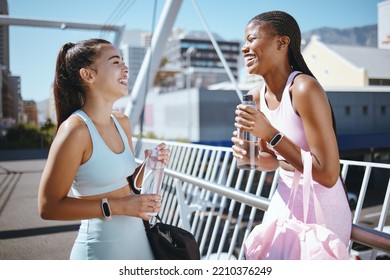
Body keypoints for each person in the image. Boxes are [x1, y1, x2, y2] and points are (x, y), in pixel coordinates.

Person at [38, 38, 170, 260]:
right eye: (115, 62)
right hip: (100, 251)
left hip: (140, 246)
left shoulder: (122, 122)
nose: (125, 68)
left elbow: (127, 187)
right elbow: (48, 207)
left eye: (123, 62)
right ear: (88, 75)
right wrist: (118, 207)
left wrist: (149, 165)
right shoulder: (75, 130)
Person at [232, 11, 352, 253]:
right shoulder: (255, 96)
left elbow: (328, 175)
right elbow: (273, 162)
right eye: (244, 41)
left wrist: (271, 134)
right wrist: (250, 158)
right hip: (283, 198)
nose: (244, 48)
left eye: (252, 39)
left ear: (282, 42)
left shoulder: (304, 89)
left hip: (322, 205)